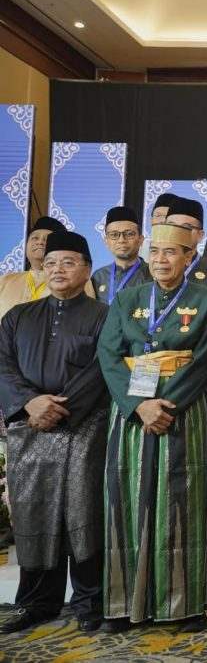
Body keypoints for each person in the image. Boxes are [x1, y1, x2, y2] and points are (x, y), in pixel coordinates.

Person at [97, 223, 207, 632]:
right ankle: (123, 605)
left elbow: (206, 359)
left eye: (171, 252)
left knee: (182, 499)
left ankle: (183, 606)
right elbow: (109, 354)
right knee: (126, 498)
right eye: (155, 252)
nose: (161, 260)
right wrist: (139, 406)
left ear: (189, 257)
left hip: (184, 409)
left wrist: (166, 403)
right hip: (133, 409)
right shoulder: (128, 298)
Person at [0, 232, 108, 634]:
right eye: (50, 263)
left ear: (86, 268)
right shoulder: (18, 316)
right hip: (28, 428)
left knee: (83, 512)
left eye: (68, 262)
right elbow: (2, 364)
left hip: (84, 428)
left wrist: (60, 409)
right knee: (34, 512)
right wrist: (30, 403)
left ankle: (89, 602)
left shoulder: (104, 315)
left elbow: (103, 368)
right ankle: (36, 603)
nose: (58, 270)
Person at [0, 217, 96, 317]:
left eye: (46, 239)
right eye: (35, 238)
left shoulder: (77, 280)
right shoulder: (5, 281)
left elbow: (87, 317)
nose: (40, 242)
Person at [164, 197, 207, 293]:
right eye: (171, 225)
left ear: (200, 235)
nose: (177, 231)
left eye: (186, 227)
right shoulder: (153, 266)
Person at [91, 206, 151, 304]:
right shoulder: (98, 276)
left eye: (129, 234)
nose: (121, 240)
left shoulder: (152, 274)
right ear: (106, 241)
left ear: (140, 239)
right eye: (114, 235)